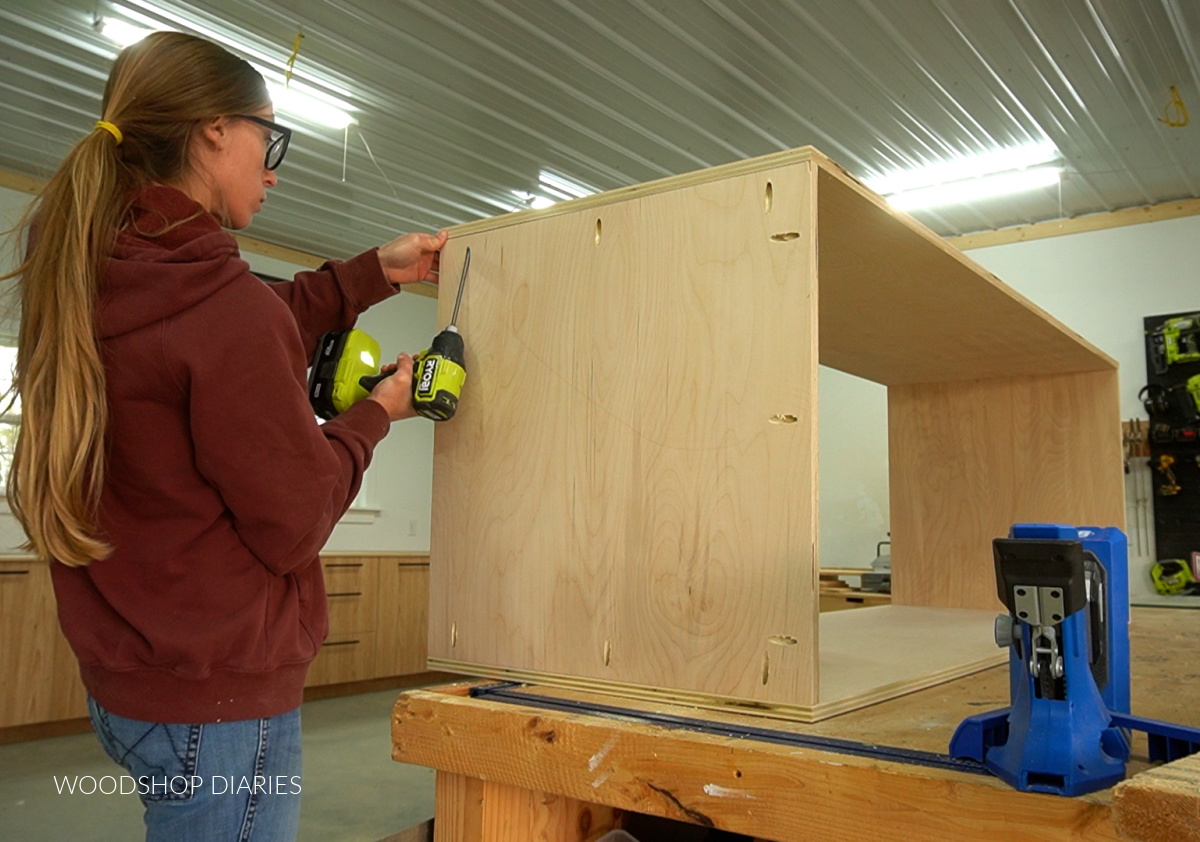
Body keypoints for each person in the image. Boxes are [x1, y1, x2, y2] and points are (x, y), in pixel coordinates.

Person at [4, 31, 446, 841]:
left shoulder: (96, 269)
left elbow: (234, 323)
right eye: (267, 137)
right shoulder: (215, 304)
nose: (273, 166)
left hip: (130, 683)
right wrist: (378, 412)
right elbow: (295, 520)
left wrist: (372, 274)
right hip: (219, 706)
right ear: (213, 130)